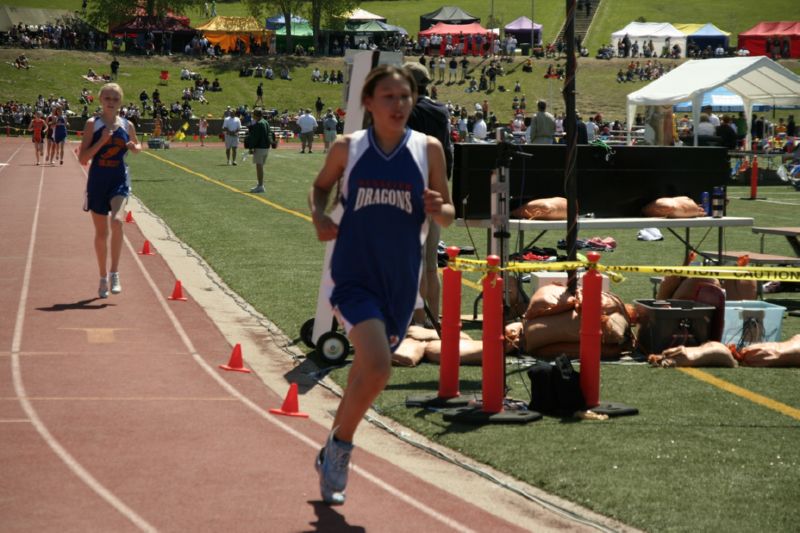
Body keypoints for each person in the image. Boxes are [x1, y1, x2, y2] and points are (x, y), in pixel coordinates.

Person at [309, 65, 454, 505]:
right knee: (377, 366)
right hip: (353, 275)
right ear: (368, 103)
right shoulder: (346, 148)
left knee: (367, 371)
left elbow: (448, 213)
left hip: (399, 280)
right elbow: (319, 189)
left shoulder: (428, 149)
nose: (398, 104)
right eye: (388, 96)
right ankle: (340, 448)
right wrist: (319, 214)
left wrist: (437, 207)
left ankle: (334, 440)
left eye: (405, 96)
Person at [77, 83, 142, 299]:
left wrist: (135, 147)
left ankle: (115, 272)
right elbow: (83, 158)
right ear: (100, 100)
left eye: (115, 99)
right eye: (107, 98)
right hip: (97, 181)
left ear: (120, 101)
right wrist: (102, 141)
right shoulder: (92, 124)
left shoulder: (127, 124)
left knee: (117, 221)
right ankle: (102, 276)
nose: (111, 102)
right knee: (101, 233)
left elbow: (137, 146)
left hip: (118, 180)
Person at [404, 62, 453, 327]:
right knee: (432, 261)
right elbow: (448, 150)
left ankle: (418, 320)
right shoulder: (440, 110)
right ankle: (434, 316)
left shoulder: (407, 110)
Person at [246, 108, 272, 193]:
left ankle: (260, 186)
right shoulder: (265, 122)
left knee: (259, 167)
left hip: (260, 147)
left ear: (256, 115)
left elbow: (255, 137)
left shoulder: (259, 124)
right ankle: (260, 184)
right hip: (266, 147)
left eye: (254, 114)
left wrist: (251, 147)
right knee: (260, 166)